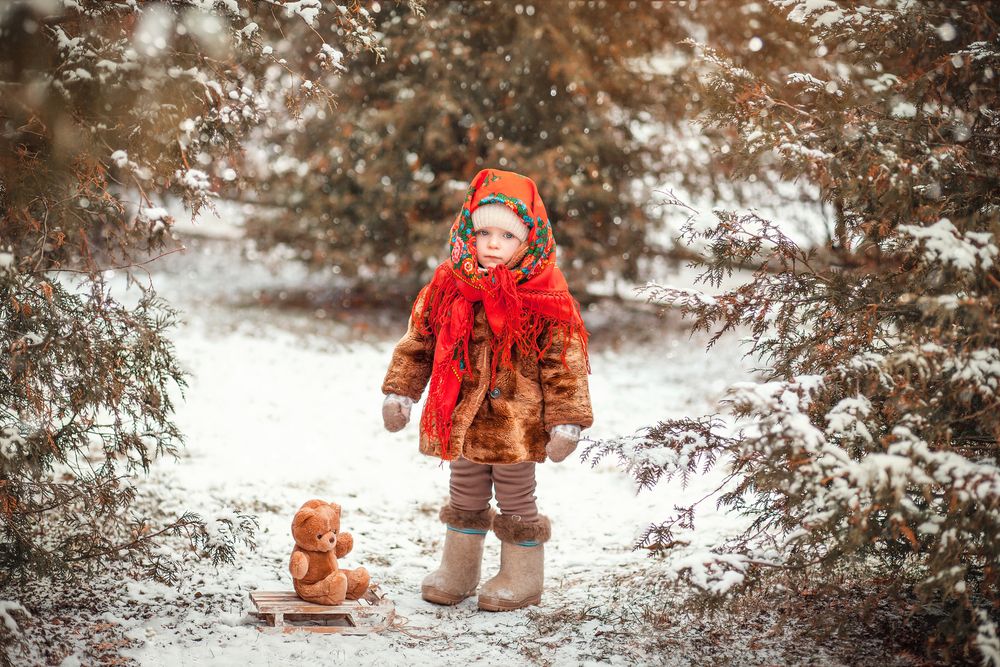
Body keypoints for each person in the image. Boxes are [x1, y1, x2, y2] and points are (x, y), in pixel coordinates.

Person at [381, 167, 593, 611]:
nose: (493, 244)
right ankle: (458, 571)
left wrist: (567, 421)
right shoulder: (448, 287)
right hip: (459, 416)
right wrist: (400, 393)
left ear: (529, 241)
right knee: (465, 490)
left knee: (516, 494)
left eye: (508, 236)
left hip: (515, 426)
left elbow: (564, 364)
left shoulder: (546, 298)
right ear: (467, 233)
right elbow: (419, 343)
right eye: (484, 233)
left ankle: (522, 577)